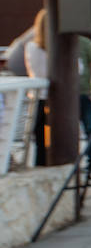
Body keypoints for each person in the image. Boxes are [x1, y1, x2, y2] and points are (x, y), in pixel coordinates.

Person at [24, 9, 48, 166]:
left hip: (37, 98)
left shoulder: (31, 47)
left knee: (39, 139)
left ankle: (40, 165)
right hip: (54, 98)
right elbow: (78, 69)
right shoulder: (58, 48)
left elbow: (32, 70)